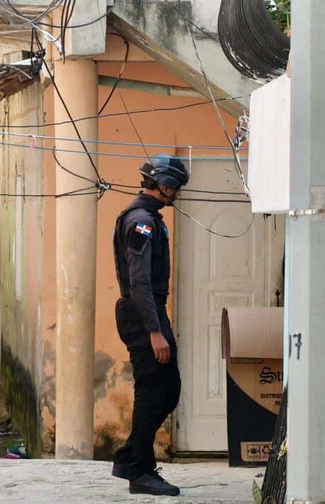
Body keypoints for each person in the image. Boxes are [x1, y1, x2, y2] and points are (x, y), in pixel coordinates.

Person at [111, 154, 189, 496]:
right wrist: (155, 331)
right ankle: (136, 467)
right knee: (155, 390)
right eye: (176, 188)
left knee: (165, 389)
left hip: (149, 312)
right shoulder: (141, 222)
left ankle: (133, 460)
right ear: (164, 186)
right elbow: (139, 282)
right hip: (144, 315)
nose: (177, 195)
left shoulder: (148, 218)